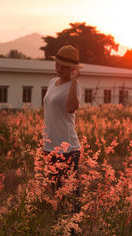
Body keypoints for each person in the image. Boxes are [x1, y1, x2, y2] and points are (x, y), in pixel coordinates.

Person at [42, 45, 84, 214]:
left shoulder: (75, 86)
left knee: (72, 194)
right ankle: (61, 228)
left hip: (68, 148)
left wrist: (74, 81)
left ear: (72, 69)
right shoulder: (52, 82)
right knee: (57, 195)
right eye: (57, 64)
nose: (59, 68)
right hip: (49, 146)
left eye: (64, 66)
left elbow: (71, 107)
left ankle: (74, 229)